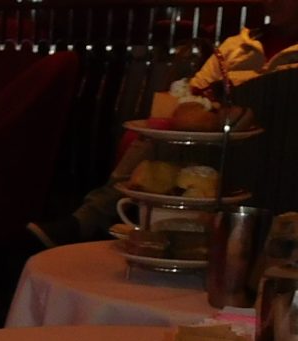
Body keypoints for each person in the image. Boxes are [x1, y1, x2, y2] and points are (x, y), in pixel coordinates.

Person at [28, 0, 298, 249]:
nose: (270, 1)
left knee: (159, 139)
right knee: (159, 132)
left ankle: (91, 220)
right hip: (217, 142)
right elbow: (194, 94)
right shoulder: (236, 45)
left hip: (278, 153)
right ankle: (120, 225)